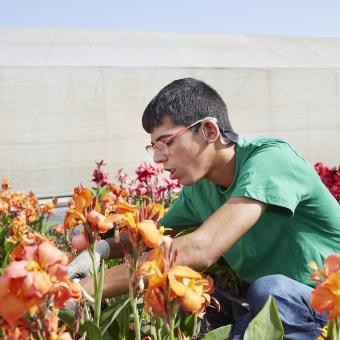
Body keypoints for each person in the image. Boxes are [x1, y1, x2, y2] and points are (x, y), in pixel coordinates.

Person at [68, 78, 340, 339]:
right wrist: (100, 250)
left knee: (272, 291)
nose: (158, 158)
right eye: (153, 146)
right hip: (280, 306)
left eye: (166, 142)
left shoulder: (271, 160)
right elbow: (149, 235)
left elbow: (201, 248)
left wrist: (87, 289)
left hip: (328, 305)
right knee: (186, 292)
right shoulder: (199, 189)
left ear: (209, 130)